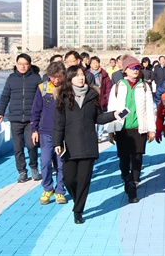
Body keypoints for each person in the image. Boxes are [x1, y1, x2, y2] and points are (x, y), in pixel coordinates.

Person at [53, 65, 117, 224]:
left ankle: (78, 210)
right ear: (70, 79)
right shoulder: (63, 97)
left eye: (82, 75)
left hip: (88, 145)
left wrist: (114, 115)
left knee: (83, 180)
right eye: (77, 76)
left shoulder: (92, 96)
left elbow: (99, 118)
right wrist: (57, 142)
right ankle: (78, 200)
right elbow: (58, 123)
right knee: (68, 180)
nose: (81, 78)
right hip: (70, 146)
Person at [107, 56, 156, 203]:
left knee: (137, 157)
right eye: (133, 68)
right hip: (122, 129)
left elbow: (149, 108)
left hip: (138, 128)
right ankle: (126, 177)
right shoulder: (117, 87)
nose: (136, 70)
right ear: (125, 70)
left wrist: (151, 129)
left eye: (138, 68)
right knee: (124, 159)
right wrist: (110, 130)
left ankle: (133, 186)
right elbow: (111, 109)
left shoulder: (144, 86)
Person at [0, 53, 42, 183]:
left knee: (32, 145)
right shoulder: (11, 78)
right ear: (16, 64)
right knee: (18, 147)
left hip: (31, 119)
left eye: (26, 64)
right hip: (15, 118)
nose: (23, 66)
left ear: (30, 65)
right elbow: (5, 96)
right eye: (20, 64)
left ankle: (34, 167)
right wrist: (0, 112)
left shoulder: (36, 78)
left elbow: (41, 98)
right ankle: (22, 171)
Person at [30, 61, 67, 205]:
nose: (56, 80)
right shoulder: (42, 88)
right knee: (45, 162)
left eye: (59, 77)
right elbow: (35, 110)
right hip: (45, 132)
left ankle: (60, 190)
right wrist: (34, 130)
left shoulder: (68, 88)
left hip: (63, 133)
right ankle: (47, 188)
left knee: (61, 164)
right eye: (53, 77)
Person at [88, 56, 113, 142]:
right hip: (90, 98)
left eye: (96, 63)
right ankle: (92, 135)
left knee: (100, 116)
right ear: (90, 64)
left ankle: (99, 136)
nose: (95, 65)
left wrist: (107, 97)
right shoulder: (86, 74)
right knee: (91, 117)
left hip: (101, 98)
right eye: (93, 63)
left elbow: (108, 87)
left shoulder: (104, 74)